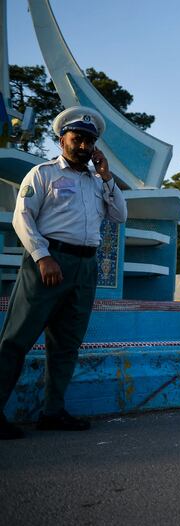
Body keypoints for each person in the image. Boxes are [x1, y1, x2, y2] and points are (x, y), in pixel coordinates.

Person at [0, 106, 127, 440]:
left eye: (89, 141)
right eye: (77, 138)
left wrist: (107, 175)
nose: (84, 146)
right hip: (48, 263)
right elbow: (22, 217)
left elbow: (120, 215)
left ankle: (53, 412)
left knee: (67, 344)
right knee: (16, 340)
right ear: (62, 140)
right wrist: (42, 257)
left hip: (85, 267)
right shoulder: (43, 174)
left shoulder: (97, 182)